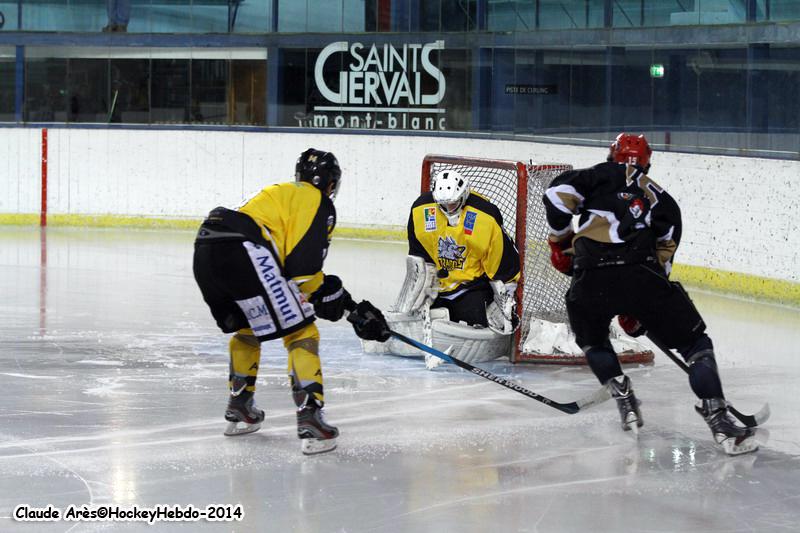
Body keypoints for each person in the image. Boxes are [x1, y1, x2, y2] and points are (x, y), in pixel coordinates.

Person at [542, 132, 757, 455]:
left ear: (612, 155)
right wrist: (641, 307)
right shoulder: (663, 200)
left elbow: (555, 194)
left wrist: (561, 240)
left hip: (590, 278)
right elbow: (665, 251)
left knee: (593, 340)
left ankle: (622, 396)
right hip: (642, 274)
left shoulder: (596, 175)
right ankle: (720, 423)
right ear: (647, 162)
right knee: (696, 346)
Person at [193, 148, 390, 455]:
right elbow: (302, 273)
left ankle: (240, 406)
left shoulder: (282, 193)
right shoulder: (318, 202)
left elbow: (285, 268)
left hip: (208, 246)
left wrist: (340, 299)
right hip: (245, 250)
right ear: (330, 183)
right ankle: (311, 417)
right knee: (301, 333)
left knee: (248, 326)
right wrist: (333, 297)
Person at [364, 170, 520, 367]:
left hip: (471, 288)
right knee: (418, 317)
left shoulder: (484, 217)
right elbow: (420, 258)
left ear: (463, 196)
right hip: (439, 287)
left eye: (453, 203)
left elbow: (503, 261)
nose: (448, 208)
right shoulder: (422, 210)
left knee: (474, 316)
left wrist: (505, 296)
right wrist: (419, 290)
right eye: (443, 204)